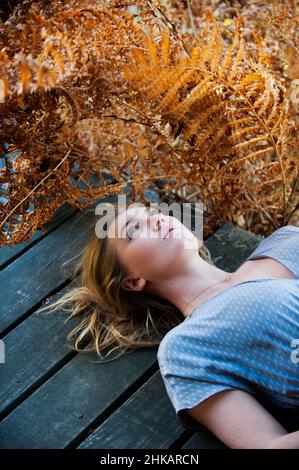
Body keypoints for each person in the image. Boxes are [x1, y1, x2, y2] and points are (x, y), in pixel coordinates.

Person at [40, 201, 299, 448]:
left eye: (152, 212)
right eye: (134, 229)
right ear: (133, 281)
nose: (156, 219)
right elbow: (269, 445)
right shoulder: (184, 349)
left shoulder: (286, 242)